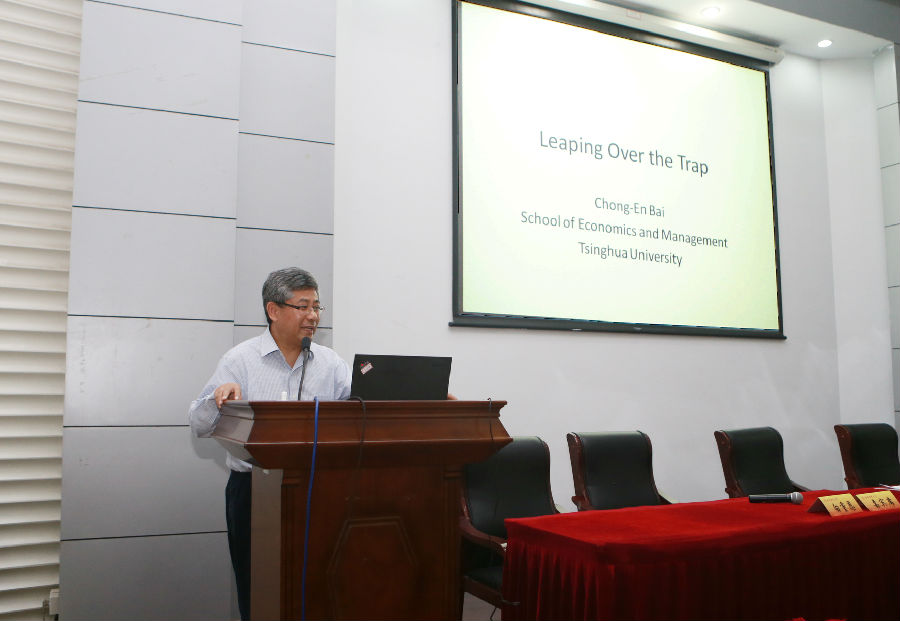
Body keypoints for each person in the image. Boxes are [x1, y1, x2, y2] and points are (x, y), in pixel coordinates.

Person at [189, 267, 351, 621]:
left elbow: (361, 410)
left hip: (317, 490)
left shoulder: (330, 363)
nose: (313, 316)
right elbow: (198, 425)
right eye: (303, 306)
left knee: (318, 585)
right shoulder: (240, 360)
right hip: (254, 490)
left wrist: (422, 397)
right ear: (273, 310)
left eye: (317, 307)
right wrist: (218, 399)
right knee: (260, 590)